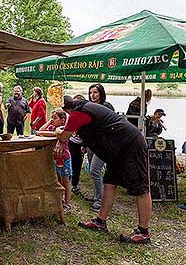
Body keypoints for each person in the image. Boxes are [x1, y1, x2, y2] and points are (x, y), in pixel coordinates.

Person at [57, 95, 152, 244]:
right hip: (116, 149)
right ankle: (101, 222)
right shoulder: (85, 108)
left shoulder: (77, 113)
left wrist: (59, 133)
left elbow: (64, 136)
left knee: (140, 187)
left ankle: (144, 232)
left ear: (67, 109)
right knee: (109, 182)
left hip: (130, 144)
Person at [36, 108, 72, 213]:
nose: (53, 120)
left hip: (64, 158)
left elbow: (54, 135)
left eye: (55, 118)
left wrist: (40, 132)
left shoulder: (63, 129)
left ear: (63, 120)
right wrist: (49, 121)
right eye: (52, 118)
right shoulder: (52, 127)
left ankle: (67, 203)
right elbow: (41, 131)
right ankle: (60, 200)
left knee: (66, 181)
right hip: (55, 158)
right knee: (58, 180)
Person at [87, 83, 115, 212]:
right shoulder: (88, 106)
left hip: (103, 145)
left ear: (101, 93)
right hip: (91, 144)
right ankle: (97, 195)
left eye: (96, 92)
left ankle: (100, 200)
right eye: (91, 92)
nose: (93, 95)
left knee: (94, 170)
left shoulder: (107, 106)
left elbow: (113, 126)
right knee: (94, 172)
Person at [69, 94, 87, 197]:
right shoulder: (73, 114)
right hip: (72, 142)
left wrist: (84, 145)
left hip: (81, 144)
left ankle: (74, 184)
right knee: (70, 162)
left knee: (78, 165)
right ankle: (69, 182)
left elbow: (88, 133)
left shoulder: (84, 116)